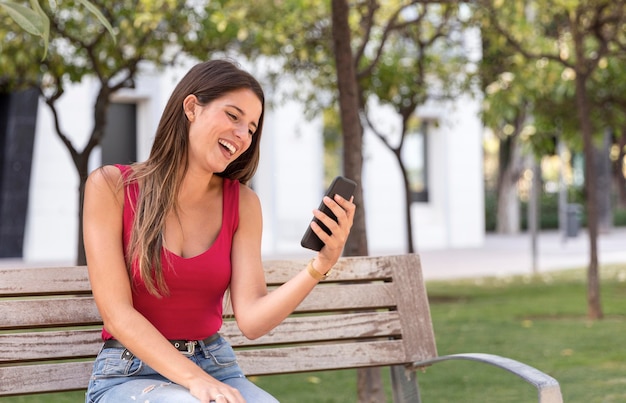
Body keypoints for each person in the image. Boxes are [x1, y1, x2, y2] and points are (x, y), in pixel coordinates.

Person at [83, 59, 356, 403]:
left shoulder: (242, 204)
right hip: (128, 371)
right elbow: (117, 314)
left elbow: (252, 320)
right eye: (233, 116)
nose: (243, 135)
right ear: (192, 107)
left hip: (214, 365)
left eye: (252, 128)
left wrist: (321, 263)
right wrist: (194, 382)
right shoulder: (111, 187)